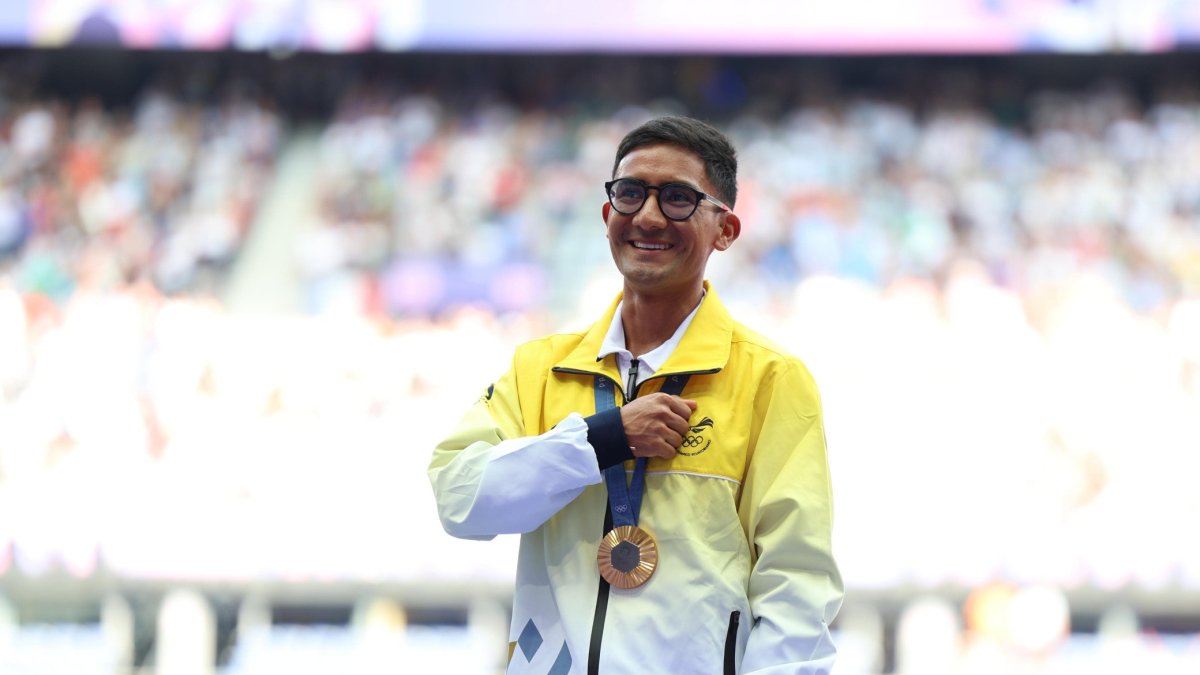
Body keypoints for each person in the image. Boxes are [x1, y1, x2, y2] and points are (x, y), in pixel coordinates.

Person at [429, 116, 842, 674]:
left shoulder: (770, 379)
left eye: (677, 198)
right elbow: (460, 501)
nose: (647, 216)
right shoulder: (541, 369)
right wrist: (603, 440)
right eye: (629, 194)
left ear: (725, 230)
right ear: (607, 217)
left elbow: (796, 584)